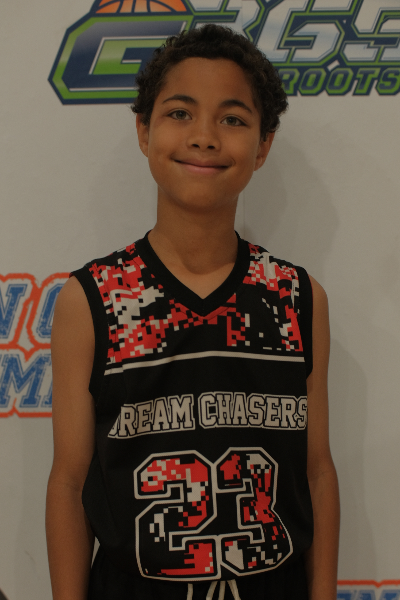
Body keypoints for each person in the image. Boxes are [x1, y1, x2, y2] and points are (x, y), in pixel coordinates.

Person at [46, 24, 339, 600]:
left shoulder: (297, 298)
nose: (204, 137)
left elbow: (317, 472)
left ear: (263, 145)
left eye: (233, 119)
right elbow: (69, 482)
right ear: (143, 130)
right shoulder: (93, 298)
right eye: (180, 113)